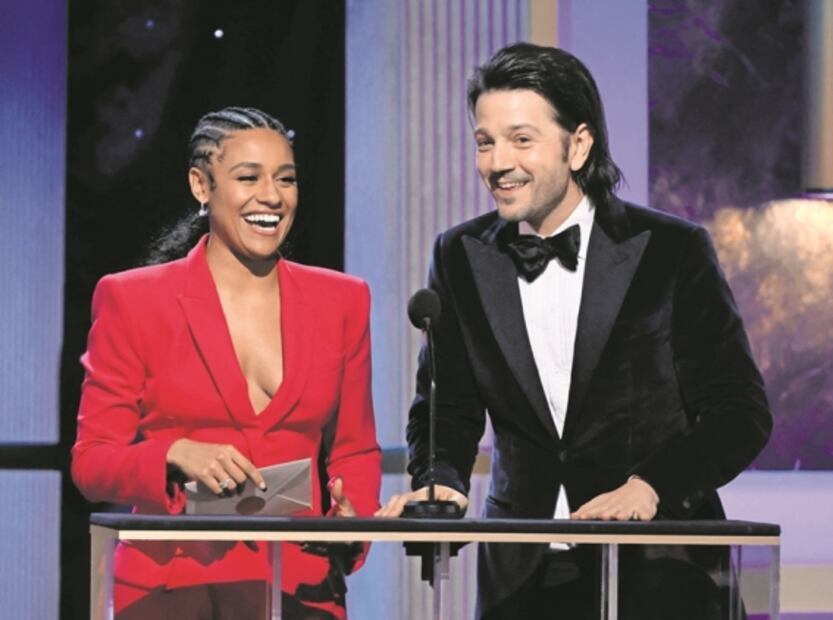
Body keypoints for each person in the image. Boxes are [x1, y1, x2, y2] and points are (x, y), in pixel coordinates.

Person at [377, 43, 772, 619]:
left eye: (521, 139)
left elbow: (740, 413)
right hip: (522, 577)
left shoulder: (671, 250)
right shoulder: (459, 255)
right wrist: (442, 482)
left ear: (578, 144)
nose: (497, 163)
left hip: (660, 571)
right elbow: (445, 408)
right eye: (485, 142)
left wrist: (649, 487)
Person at [72, 106, 382, 620]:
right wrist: (173, 454)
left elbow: (356, 448)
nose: (272, 196)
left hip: (299, 589)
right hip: (169, 590)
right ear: (201, 185)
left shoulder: (343, 301)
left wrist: (354, 522)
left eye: (286, 179)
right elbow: (92, 462)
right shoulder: (133, 300)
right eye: (248, 177)